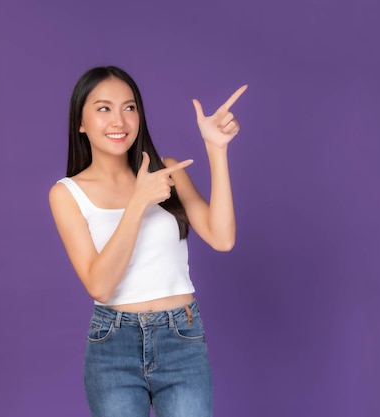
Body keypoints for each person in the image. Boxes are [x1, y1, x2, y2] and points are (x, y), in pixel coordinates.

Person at [49, 65, 246, 417]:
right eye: (104, 108)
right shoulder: (67, 194)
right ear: (80, 122)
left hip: (181, 337)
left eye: (129, 107)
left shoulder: (166, 171)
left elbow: (222, 237)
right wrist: (138, 202)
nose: (119, 120)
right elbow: (100, 286)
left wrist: (216, 149)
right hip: (113, 344)